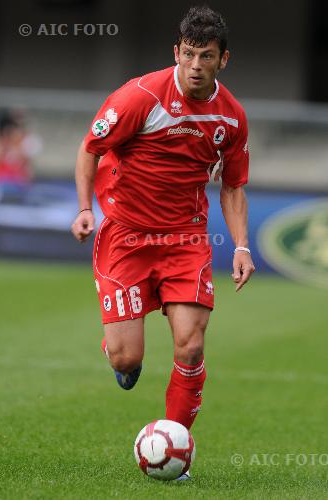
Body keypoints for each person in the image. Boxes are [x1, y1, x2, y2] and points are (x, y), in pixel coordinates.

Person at [72, 5, 255, 478]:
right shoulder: (140, 97)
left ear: (223, 60)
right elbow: (89, 149)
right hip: (126, 237)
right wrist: (86, 208)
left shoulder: (231, 119)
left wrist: (239, 246)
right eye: (189, 54)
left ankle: (175, 448)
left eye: (207, 56)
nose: (196, 65)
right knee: (128, 357)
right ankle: (118, 351)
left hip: (186, 239)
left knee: (190, 347)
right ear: (177, 51)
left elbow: (233, 186)